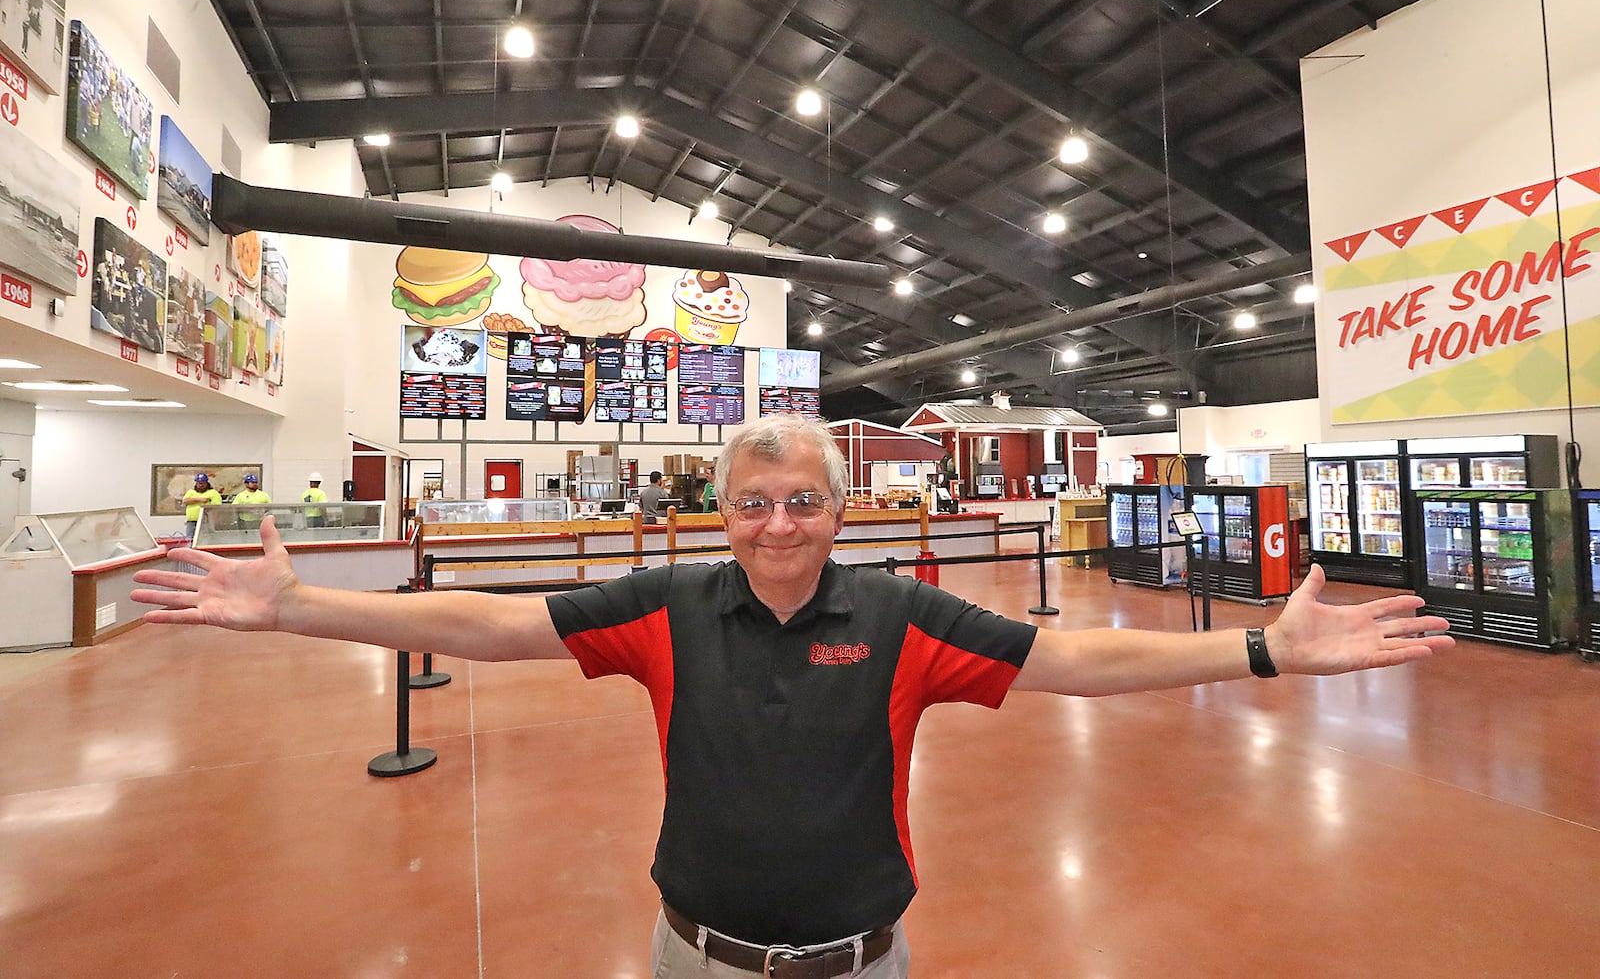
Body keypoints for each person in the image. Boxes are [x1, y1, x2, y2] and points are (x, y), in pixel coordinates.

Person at [131, 415, 1453, 978]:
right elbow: (485, 621)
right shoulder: (663, 607)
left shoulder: (897, 615)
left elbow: (1075, 664)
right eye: (754, 502)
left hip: (865, 962)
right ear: (723, 508)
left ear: (840, 509)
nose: (778, 524)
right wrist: (298, 606)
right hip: (690, 956)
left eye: (802, 501)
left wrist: (1267, 655)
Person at [181, 472, 221, 541]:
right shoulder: (191, 492)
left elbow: (217, 507)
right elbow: (185, 501)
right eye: (199, 483)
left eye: (202, 483)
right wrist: (199, 499)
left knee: (205, 539)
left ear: (206, 483)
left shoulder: (213, 493)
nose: (200, 485)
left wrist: (214, 520)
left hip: (206, 521)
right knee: (190, 539)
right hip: (191, 521)